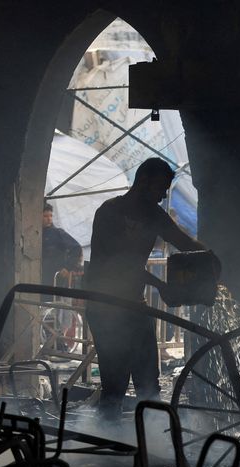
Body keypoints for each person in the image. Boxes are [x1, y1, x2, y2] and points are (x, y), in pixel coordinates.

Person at [85, 157, 213, 420]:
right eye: (160, 188)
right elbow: (119, 264)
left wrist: (212, 259)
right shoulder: (110, 212)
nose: (163, 195)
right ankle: (108, 443)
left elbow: (182, 240)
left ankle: (151, 442)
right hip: (105, 307)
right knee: (115, 384)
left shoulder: (154, 215)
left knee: (148, 384)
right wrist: (160, 285)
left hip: (134, 307)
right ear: (143, 181)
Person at [42, 203, 81, 290]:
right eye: (45, 216)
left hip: (55, 278)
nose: (49, 219)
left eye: (51, 216)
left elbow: (76, 248)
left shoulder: (57, 233)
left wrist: (68, 267)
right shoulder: (37, 234)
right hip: (40, 276)